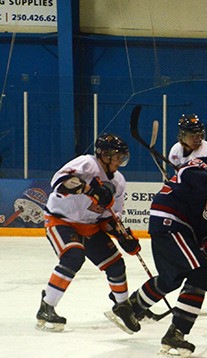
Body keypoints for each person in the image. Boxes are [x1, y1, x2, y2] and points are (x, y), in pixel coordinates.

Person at [127, 129, 207, 356]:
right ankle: (176, 334)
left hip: (183, 226)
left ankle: (131, 307)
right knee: (200, 274)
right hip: (171, 218)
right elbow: (188, 175)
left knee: (172, 278)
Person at [37, 134, 141, 333]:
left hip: (91, 226)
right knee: (73, 256)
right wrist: (90, 188)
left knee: (116, 264)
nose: (119, 161)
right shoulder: (87, 163)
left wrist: (123, 236)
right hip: (61, 220)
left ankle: (123, 306)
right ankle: (46, 306)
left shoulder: (119, 181)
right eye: (116, 156)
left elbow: (109, 218)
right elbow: (59, 181)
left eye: (122, 157)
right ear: (104, 155)